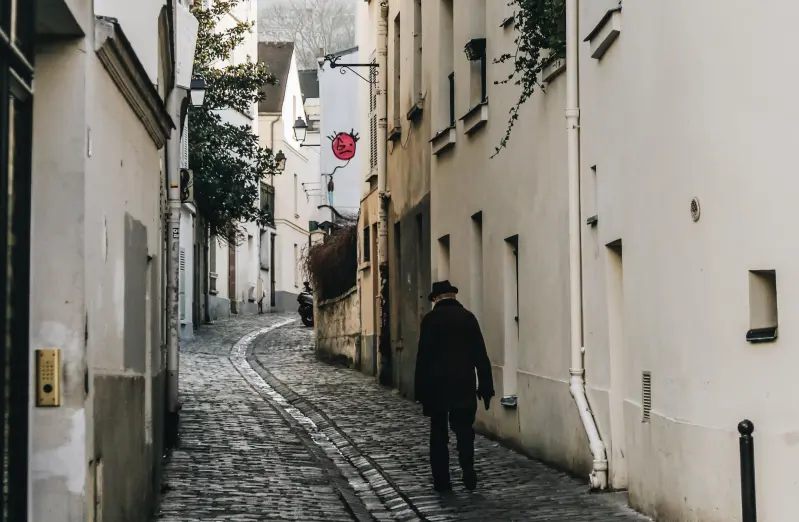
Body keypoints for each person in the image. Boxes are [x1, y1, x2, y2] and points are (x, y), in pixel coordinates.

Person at [414, 280, 494, 492]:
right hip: (463, 384)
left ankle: (442, 480)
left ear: (436, 299)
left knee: (439, 434)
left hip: (437, 387)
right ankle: (467, 467)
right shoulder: (468, 318)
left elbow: (423, 357)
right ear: (453, 296)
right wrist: (486, 386)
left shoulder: (430, 320)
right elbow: (480, 355)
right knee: (464, 431)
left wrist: (420, 390)